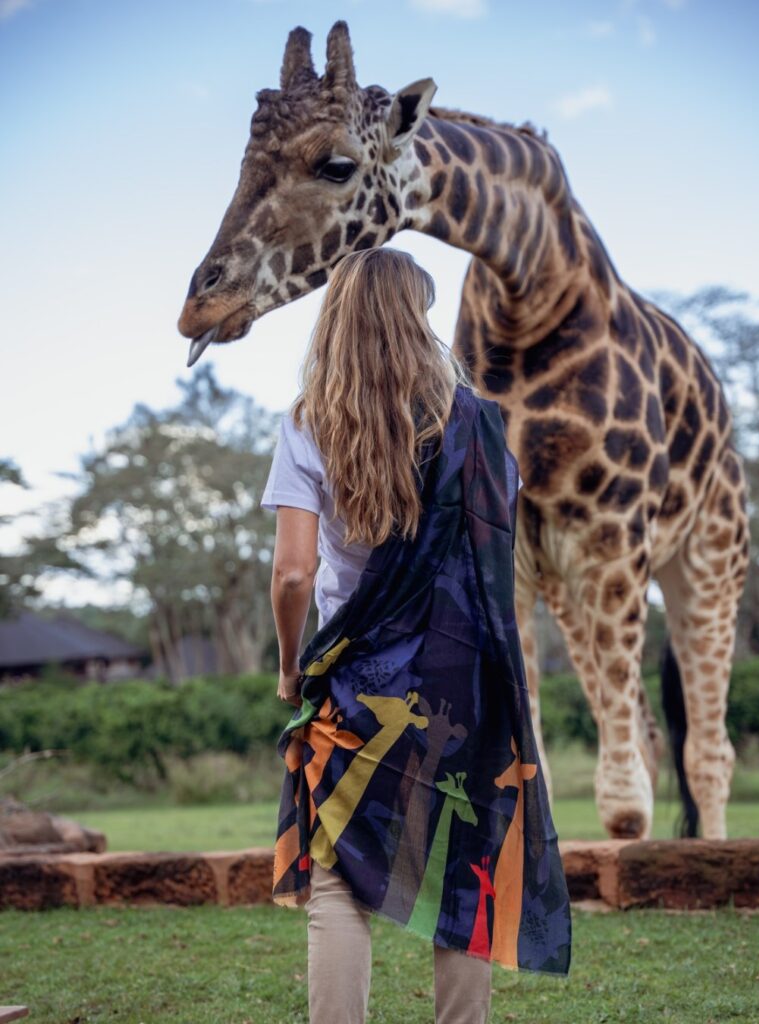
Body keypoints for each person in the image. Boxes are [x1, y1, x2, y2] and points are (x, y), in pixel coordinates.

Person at [260, 247, 571, 1024]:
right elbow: (491, 545)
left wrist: (290, 670)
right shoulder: (475, 425)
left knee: (333, 867)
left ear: (337, 320)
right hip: (458, 678)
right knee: (466, 862)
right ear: (417, 319)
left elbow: (294, 575)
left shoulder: (306, 423)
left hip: (355, 676)